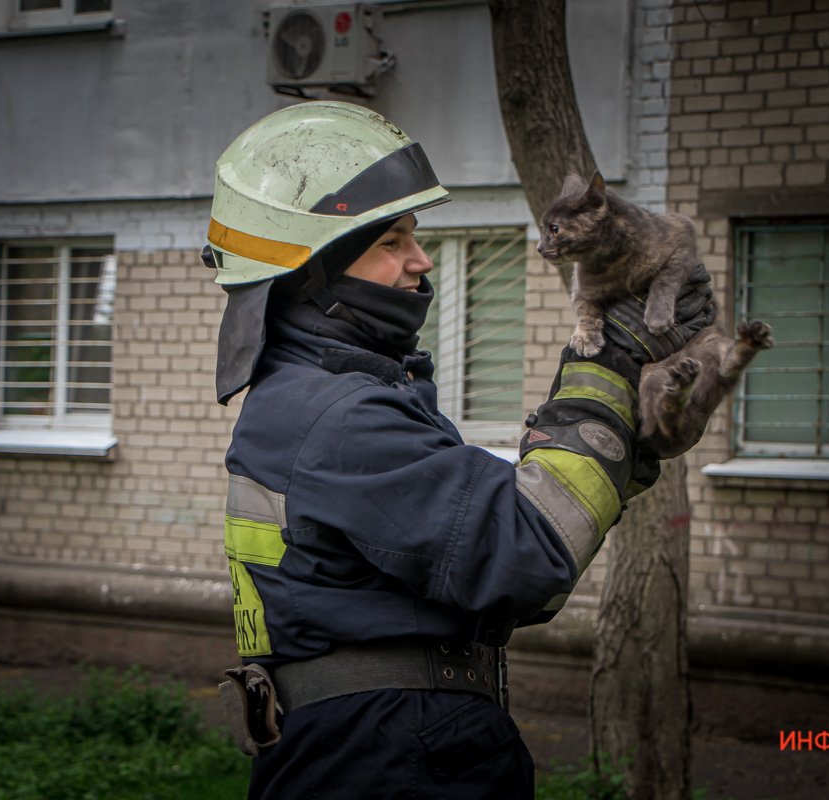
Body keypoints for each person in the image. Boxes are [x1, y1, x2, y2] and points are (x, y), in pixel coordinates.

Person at [205, 101, 713, 800]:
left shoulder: (316, 400)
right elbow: (527, 554)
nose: (420, 261)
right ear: (311, 271)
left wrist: (632, 440)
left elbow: (484, 555)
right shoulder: (341, 418)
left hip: (366, 749)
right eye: (391, 241)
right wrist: (608, 374)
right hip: (395, 759)